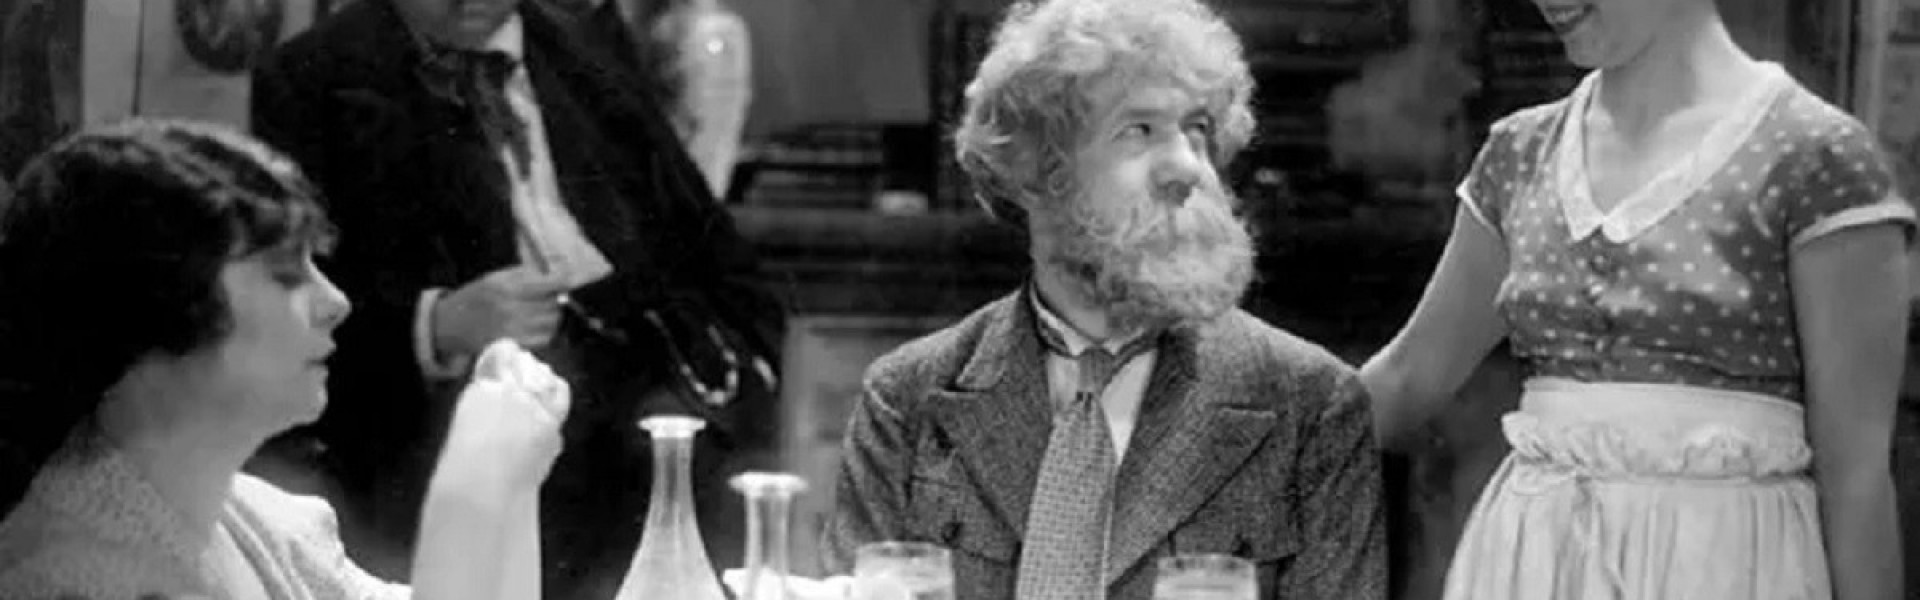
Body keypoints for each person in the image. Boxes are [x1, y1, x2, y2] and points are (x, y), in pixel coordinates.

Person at [821, 1, 1387, 599]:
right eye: (1138, 130)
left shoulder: (1312, 406)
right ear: (1036, 171)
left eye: (1197, 130)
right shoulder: (907, 398)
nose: (1187, 168)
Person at [1360, 0, 1914, 597]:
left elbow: (1855, 480)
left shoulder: (1814, 155)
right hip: (1534, 562)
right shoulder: (1520, 153)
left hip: (1724, 568)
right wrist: (1280, 420)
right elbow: (1409, 377)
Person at [249, 0, 786, 597]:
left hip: (651, 414)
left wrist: (750, 367)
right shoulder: (311, 76)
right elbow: (292, 309)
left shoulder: (580, 46)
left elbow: (715, 251)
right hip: (449, 436)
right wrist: (436, 325)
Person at [0, 119, 570, 599]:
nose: (336, 302)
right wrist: (477, 480)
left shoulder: (254, 517)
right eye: (285, 274)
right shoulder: (65, 576)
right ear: (150, 307)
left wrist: (511, 483)